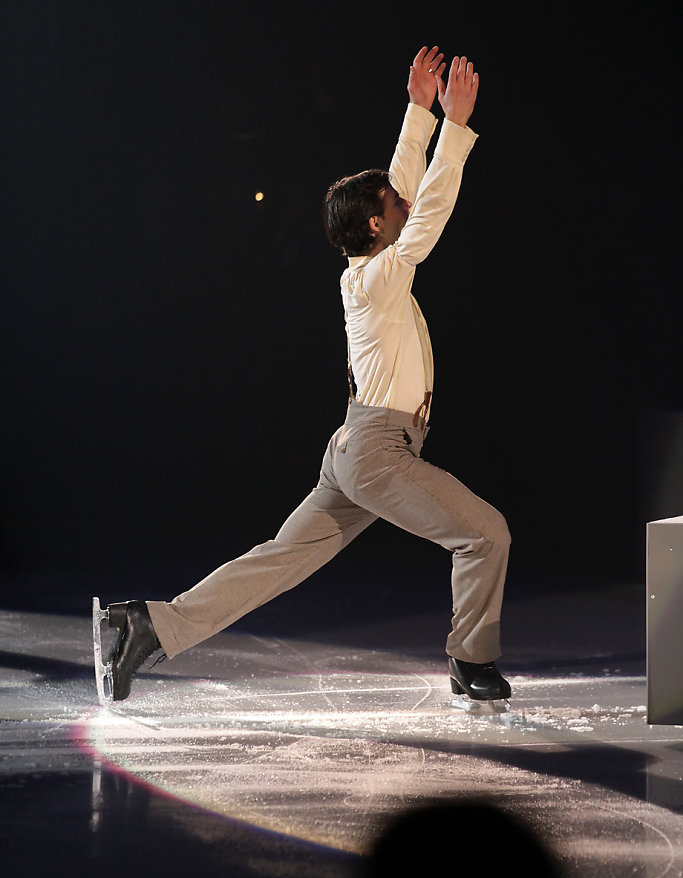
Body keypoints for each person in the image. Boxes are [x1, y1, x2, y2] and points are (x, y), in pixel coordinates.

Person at [103, 45, 511, 705]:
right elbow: (426, 212)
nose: (402, 204)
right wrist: (456, 128)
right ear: (377, 226)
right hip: (376, 453)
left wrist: (417, 113)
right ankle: (470, 660)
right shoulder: (377, 278)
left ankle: (148, 626)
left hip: (357, 449)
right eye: (391, 206)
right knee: (484, 532)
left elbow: (405, 194)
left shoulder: (371, 270)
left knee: (281, 560)